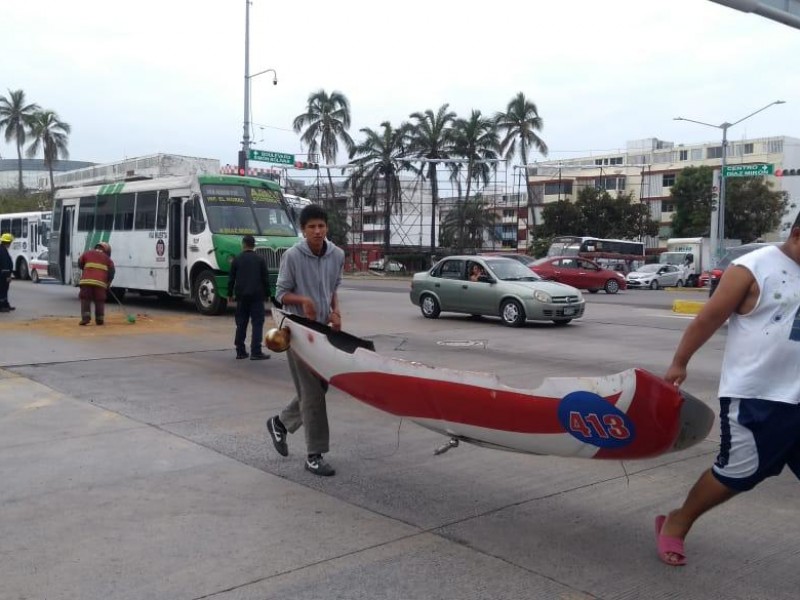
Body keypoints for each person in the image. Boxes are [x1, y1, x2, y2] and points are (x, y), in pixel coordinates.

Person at [657, 214, 800, 567]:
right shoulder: (752, 268)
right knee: (737, 474)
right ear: (797, 236)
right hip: (758, 396)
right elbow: (708, 318)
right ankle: (678, 520)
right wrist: (680, 362)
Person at [266, 204, 345, 477]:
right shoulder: (292, 256)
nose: (317, 231)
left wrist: (335, 312)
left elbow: (334, 288)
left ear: (327, 227)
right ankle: (314, 455)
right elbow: (281, 293)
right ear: (303, 230)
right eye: (311, 227)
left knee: (321, 386)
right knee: (312, 393)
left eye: (321, 226)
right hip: (297, 331)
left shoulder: (337, 255)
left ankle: (280, 423)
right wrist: (304, 301)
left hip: (323, 331)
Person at [228, 234, 270, 360]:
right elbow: (265, 279)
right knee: (257, 323)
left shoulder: (237, 259)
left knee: (241, 323)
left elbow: (231, 279)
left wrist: (229, 294)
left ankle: (240, 351)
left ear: (243, 244)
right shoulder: (260, 259)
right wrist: (267, 294)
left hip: (241, 296)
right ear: (254, 245)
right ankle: (256, 351)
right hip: (257, 296)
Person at [77, 242, 115, 325]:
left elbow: (80, 263)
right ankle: (99, 320)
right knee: (99, 300)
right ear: (107, 251)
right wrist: (108, 283)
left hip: (86, 281)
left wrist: (86, 268)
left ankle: (85, 319)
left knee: (85, 299)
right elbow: (112, 272)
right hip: (100, 284)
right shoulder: (108, 259)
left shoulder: (87, 253)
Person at [0, 233, 14, 312]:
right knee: (2, 291)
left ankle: (5, 304)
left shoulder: (3, 249)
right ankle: (2, 307)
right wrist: (7, 276)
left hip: (3, 275)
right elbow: (5, 264)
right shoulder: (2, 251)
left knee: (5, 290)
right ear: (8, 242)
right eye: (10, 242)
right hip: (3, 275)